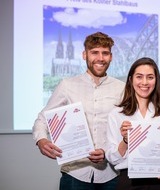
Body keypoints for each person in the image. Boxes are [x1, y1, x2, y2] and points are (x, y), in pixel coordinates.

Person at [32, 32, 125, 190]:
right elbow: (42, 118)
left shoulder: (122, 88)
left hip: (111, 174)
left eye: (105, 53)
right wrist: (41, 140)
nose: (100, 58)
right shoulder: (67, 85)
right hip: (75, 173)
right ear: (84, 55)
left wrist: (109, 152)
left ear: (111, 56)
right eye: (94, 52)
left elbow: (126, 129)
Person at [105, 57, 160, 190]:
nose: (144, 82)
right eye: (139, 77)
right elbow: (113, 158)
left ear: (156, 81)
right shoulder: (116, 114)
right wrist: (125, 141)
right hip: (129, 182)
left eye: (150, 77)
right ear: (131, 80)